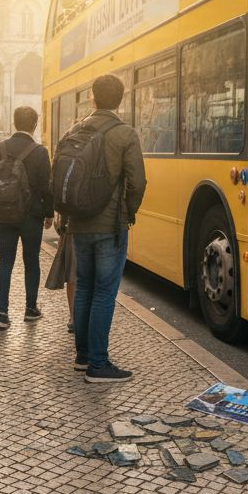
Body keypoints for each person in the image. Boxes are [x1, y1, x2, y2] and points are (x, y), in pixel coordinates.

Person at [67, 74, 147, 382]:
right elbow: (137, 181)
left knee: (84, 286)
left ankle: (83, 355)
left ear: (92, 97)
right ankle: (98, 365)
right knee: (103, 291)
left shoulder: (75, 129)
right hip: (110, 224)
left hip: (79, 223)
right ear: (122, 99)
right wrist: (128, 211)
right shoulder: (125, 134)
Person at [0, 105, 54, 331]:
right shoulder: (40, 152)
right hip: (32, 216)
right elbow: (46, 187)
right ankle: (31, 310)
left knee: (5, 262)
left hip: (4, 214)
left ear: (14, 123)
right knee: (31, 262)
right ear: (35, 124)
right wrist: (49, 212)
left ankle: (1, 314)